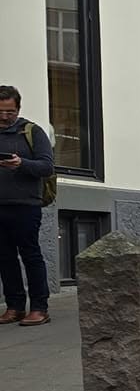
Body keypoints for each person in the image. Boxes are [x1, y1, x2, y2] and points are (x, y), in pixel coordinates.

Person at [0, 86, 54, 326]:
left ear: (18, 109)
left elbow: (46, 167)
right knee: (4, 258)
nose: (4, 117)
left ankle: (40, 307)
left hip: (25, 205)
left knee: (30, 255)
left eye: (9, 112)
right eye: (0, 111)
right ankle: (14, 306)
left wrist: (21, 164)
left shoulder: (32, 132)